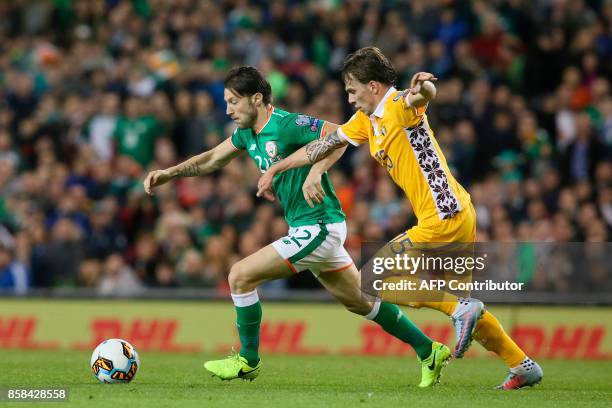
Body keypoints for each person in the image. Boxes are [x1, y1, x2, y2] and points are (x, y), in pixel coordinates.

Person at [144, 66, 451, 387]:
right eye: (226, 102)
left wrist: (316, 173)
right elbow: (211, 159)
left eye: (234, 101)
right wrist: (170, 173)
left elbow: (340, 137)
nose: (228, 110)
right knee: (359, 301)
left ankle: (248, 360)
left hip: (319, 226)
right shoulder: (247, 134)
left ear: (257, 98)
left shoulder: (288, 125)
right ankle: (428, 349)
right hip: (307, 228)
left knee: (239, 275)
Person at [257, 47, 543, 390]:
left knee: (372, 280)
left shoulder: (398, 106)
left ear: (374, 86)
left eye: (352, 90)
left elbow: (422, 96)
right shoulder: (366, 120)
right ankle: (522, 365)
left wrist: (424, 87)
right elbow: (324, 144)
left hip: (442, 217)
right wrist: (278, 167)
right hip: (456, 211)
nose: (349, 99)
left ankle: (458, 309)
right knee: (469, 313)